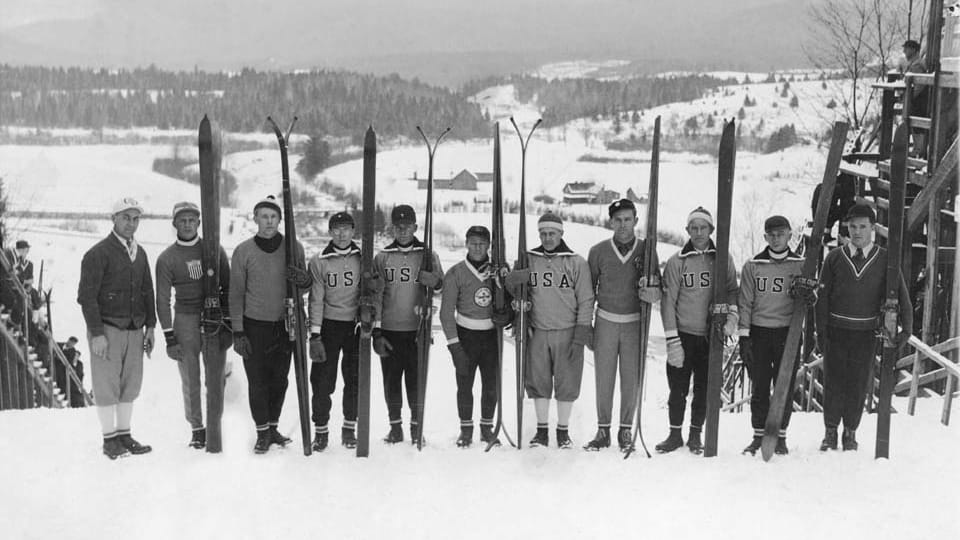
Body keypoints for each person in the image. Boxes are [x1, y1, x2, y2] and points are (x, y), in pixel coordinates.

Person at [815, 203, 912, 452]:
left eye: (863, 227)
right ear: (847, 228)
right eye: (853, 227)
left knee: (858, 383)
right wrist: (821, 331)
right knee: (834, 382)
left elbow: (901, 295)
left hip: (865, 332)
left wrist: (907, 330)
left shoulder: (885, 259)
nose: (857, 232)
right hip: (837, 330)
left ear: (872, 229)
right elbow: (822, 299)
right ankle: (830, 432)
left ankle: (850, 432)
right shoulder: (835, 258)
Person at [229, 195, 312, 454]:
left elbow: (306, 287)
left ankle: (273, 426)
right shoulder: (243, 251)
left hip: (285, 324)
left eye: (273, 216)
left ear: (280, 219)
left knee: (280, 380)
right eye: (263, 216)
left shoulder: (293, 248)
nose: (268, 221)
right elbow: (236, 293)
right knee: (258, 381)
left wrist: (303, 280)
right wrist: (238, 330)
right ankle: (262, 431)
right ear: (255, 219)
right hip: (255, 326)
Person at [504, 213, 593, 449]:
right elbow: (514, 291)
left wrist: (580, 336)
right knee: (538, 381)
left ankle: (563, 431)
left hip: (567, 330)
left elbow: (586, 300)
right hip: (538, 330)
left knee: (567, 382)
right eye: (543, 234)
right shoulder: (529, 260)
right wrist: (513, 281)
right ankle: (541, 431)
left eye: (552, 233)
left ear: (561, 233)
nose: (547, 238)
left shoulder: (576, 262)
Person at [77, 197, 156, 460]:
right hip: (108, 329)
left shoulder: (140, 253)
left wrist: (151, 327)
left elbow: (148, 291)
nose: (131, 224)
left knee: (129, 384)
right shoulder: (98, 253)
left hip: (135, 328)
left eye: (135, 219)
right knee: (106, 384)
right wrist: (97, 333)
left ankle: (124, 434)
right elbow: (86, 297)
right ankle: (109, 439)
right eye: (125, 218)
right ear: (113, 219)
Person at [657, 206, 738, 454]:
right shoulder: (677, 261)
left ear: (711, 229)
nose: (699, 232)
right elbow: (667, 302)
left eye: (703, 227)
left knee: (704, 388)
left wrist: (731, 316)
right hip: (683, 334)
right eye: (694, 227)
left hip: (710, 335)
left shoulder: (723, 259)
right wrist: (672, 339)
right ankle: (674, 434)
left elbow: (732, 289)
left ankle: (695, 435)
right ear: (688, 230)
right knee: (678, 389)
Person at [584, 199, 661, 451]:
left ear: (636, 221)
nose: (623, 225)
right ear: (611, 222)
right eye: (618, 220)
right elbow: (588, 292)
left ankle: (625, 430)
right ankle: (602, 430)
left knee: (631, 379)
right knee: (603, 378)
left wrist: (651, 291)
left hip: (633, 323)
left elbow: (658, 287)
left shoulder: (647, 250)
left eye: (628, 219)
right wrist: (587, 325)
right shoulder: (598, 251)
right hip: (606, 320)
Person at [155, 201, 231, 451]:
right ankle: (197, 428)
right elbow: (163, 299)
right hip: (185, 318)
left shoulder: (213, 249)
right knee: (190, 376)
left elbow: (228, 287)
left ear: (199, 222)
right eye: (182, 220)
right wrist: (169, 337)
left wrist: (228, 321)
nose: (187, 225)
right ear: (174, 224)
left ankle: (214, 424)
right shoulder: (167, 258)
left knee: (216, 374)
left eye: (192, 220)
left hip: (211, 316)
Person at [372, 204, 443, 444]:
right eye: (398, 227)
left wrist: (433, 281)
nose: (403, 231)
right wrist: (377, 331)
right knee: (391, 382)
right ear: (392, 228)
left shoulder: (427, 255)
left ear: (415, 227)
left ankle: (416, 427)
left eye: (408, 226)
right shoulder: (382, 257)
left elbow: (441, 287)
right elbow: (376, 296)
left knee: (416, 382)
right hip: (391, 329)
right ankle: (395, 428)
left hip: (417, 330)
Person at [737, 216, 806, 456]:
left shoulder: (801, 265)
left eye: (781, 234)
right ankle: (758, 435)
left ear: (789, 235)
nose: (776, 239)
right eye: (771, 235)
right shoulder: (754, 266)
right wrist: (744, 336)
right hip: (760, 331)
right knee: (760, 384)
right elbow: (745, 302)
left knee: (784, 386)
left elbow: (811, 300)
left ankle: (780, 435)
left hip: (788, 331)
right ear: (765, 237)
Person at [439, 225, 508, 448]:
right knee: (465, 384)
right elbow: (446, 312)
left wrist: (506, 312)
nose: (478, 247)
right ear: (466, 244)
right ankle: (465, 430)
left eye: (482, 243)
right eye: (473, 243)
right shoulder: (456, 272)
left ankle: (486, 429)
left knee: (490, 385)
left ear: (489, 245)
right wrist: (454, 346)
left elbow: (509, 302)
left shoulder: (497, 271)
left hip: (490, 336)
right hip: (466, 336)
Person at [307, 212, 362, 452]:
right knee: (322, 382)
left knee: (354, 379)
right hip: (329, 325)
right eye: (336, 229)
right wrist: (315, 334)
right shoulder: (319, 260)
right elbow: (316, 299)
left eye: (346, 229)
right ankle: (321, 432)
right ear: (330, 232)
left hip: (355, 326)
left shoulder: (363, 257)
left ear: (353, 231)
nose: (341, 234)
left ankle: (349, 430)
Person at [56, 336, 86, 408]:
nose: (72, 344)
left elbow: (70, 363)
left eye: (73, 344)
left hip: (63, 372)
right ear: (68, 340)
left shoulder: (72, 352)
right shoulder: (58, 345)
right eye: (71, 342)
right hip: (56, 367)